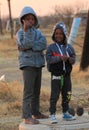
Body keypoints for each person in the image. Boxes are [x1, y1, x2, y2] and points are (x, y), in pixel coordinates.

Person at [16, 6, 48, 125]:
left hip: (38, 64)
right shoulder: (20, 33)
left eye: (32, 19)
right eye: (27, 19)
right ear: (22, 20)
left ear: (35, 20)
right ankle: (27, 116)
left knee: (36, 91)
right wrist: (27, 32)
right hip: (28, 64)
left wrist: (30, 47)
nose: (30, 21)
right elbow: (26, 43)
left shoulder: (38, 32)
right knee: (28, 91)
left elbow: (43, 44)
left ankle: (36, 112)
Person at [46, 22, 76, 123]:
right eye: (56, 33)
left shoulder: (69, 47)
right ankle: (52, 114)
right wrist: (59, 58)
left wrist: (70, 59)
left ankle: (66, 112)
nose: (58, 35)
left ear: (64, 35)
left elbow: (74, 59)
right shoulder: (51, 47)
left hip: (67, 76)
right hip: (56, 76)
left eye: (61, 34)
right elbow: (49, 59)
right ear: (54, 35)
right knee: (54, 95)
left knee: (67, 94)